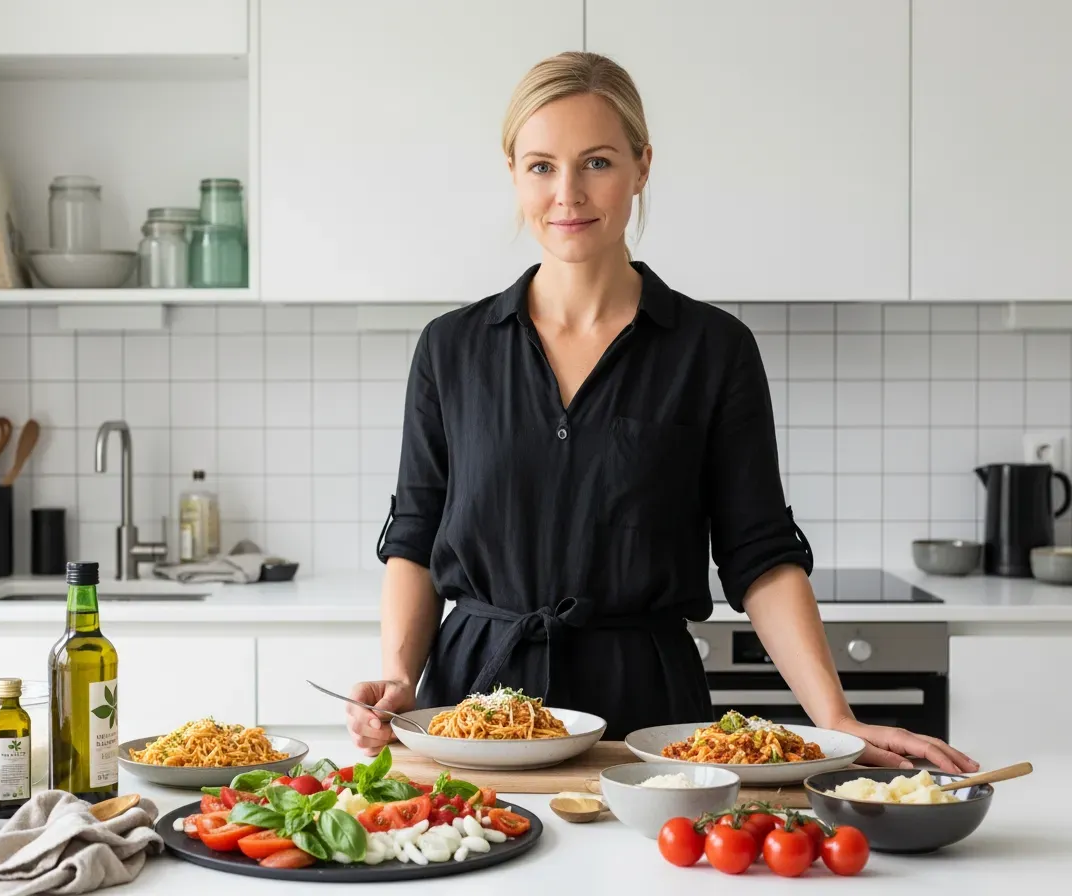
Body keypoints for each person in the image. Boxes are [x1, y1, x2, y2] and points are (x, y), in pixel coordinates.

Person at [348, 51, 976, 774]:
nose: (568, 194)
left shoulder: (713, 350)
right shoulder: (450, 349)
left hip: (646, 714)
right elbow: (417, 536)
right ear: (514, 172)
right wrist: (398, 677)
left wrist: (835, 718)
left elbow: (760, 553)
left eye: (597, 162)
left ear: (642, 166)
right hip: (470, 714)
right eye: (542, 166)